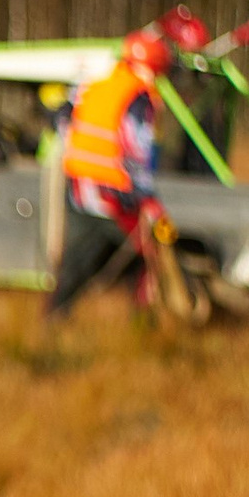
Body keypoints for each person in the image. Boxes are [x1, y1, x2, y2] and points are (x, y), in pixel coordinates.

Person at [48, 30, 172, 319]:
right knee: (144, 249)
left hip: (80, 182)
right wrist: (147, 196)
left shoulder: (96, 84)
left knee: (82, 253)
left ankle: (57, 316)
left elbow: (61, 117)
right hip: (112, 189)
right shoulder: (138, 96)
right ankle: (143, 320)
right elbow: (136, 149)